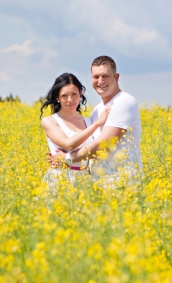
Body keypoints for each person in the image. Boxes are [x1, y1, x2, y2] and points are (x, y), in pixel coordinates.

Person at [50, 56, 142, 187]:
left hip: (122, 183)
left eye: (105, 76)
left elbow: (103, 145)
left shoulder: (124, 102)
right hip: (99, 184)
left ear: (116, 77)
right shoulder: (97, 110)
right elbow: (87, 144)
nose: (100, 81)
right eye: (96, 77)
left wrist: (67, 158)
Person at [40, 73, 110, 188]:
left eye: (74, 94)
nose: (70, 100)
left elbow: (99, 149)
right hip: (60, 178)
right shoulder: (50, 121)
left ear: (80, 94)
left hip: (85, 179)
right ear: (57, 98)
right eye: (64, 96)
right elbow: (69, 144)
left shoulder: (89, 121)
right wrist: (97, 124)